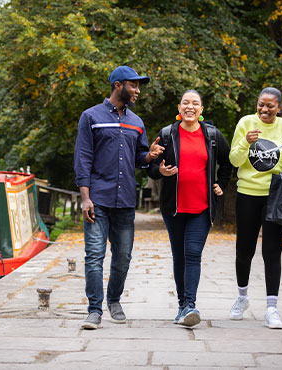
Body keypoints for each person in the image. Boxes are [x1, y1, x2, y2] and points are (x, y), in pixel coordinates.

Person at [74, 66, 164, 330]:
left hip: (125, 202)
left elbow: (140, 159)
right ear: (118, 85)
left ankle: (114, 299)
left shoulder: (137, 123)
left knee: (123, 257)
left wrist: (150, 156)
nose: (137, 91)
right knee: (94, 256)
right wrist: (85, 198)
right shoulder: (90, 117)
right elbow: (83, 158)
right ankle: (94, 310)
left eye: (138, 87)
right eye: (134, 86)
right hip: (97, 200)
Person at [148, 90, 232, 327]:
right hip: (173, 207)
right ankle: (182, 306)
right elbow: (151, 166)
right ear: (179, 107)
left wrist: (221, 184)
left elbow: (227, 164)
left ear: (201, 110)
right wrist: (160, 171)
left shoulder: (213, 135)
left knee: (193, 253)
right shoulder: (167, 134)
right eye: (186, 102)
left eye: (195, 103)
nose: (190, 107)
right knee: (179, 256)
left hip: (202, 207)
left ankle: (190, 305)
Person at [229, 87, 282, 329]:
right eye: (261, 104)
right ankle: (242, 297)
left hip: (275, 196)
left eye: (270, 106)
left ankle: (272, 308)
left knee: (272, 251)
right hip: (247, 193)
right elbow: (234, 160)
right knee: (244, 249)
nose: (264, 109)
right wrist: (246, 144)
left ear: (279, 107)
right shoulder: (246, 122)